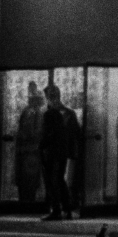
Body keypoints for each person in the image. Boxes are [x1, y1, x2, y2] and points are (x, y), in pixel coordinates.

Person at [40, 84, 81, 220]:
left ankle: (57, 209)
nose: (49, 99)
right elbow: (75, 133)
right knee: (59, 180)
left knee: (53, 181)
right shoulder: (67, 113)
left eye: (49, 96)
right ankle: (66, 208)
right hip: (63, 152)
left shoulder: (52, 114)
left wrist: (41, 146)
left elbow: (48, 135)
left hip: (54, 152)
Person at [14, 82, 44, 204]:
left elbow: (33, 131)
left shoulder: (34, 112)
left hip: (30, 149)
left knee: (29, 177)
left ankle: (28, 200)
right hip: (29, 150)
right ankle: (28, 200)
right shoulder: (31, 112)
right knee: (28, 177)